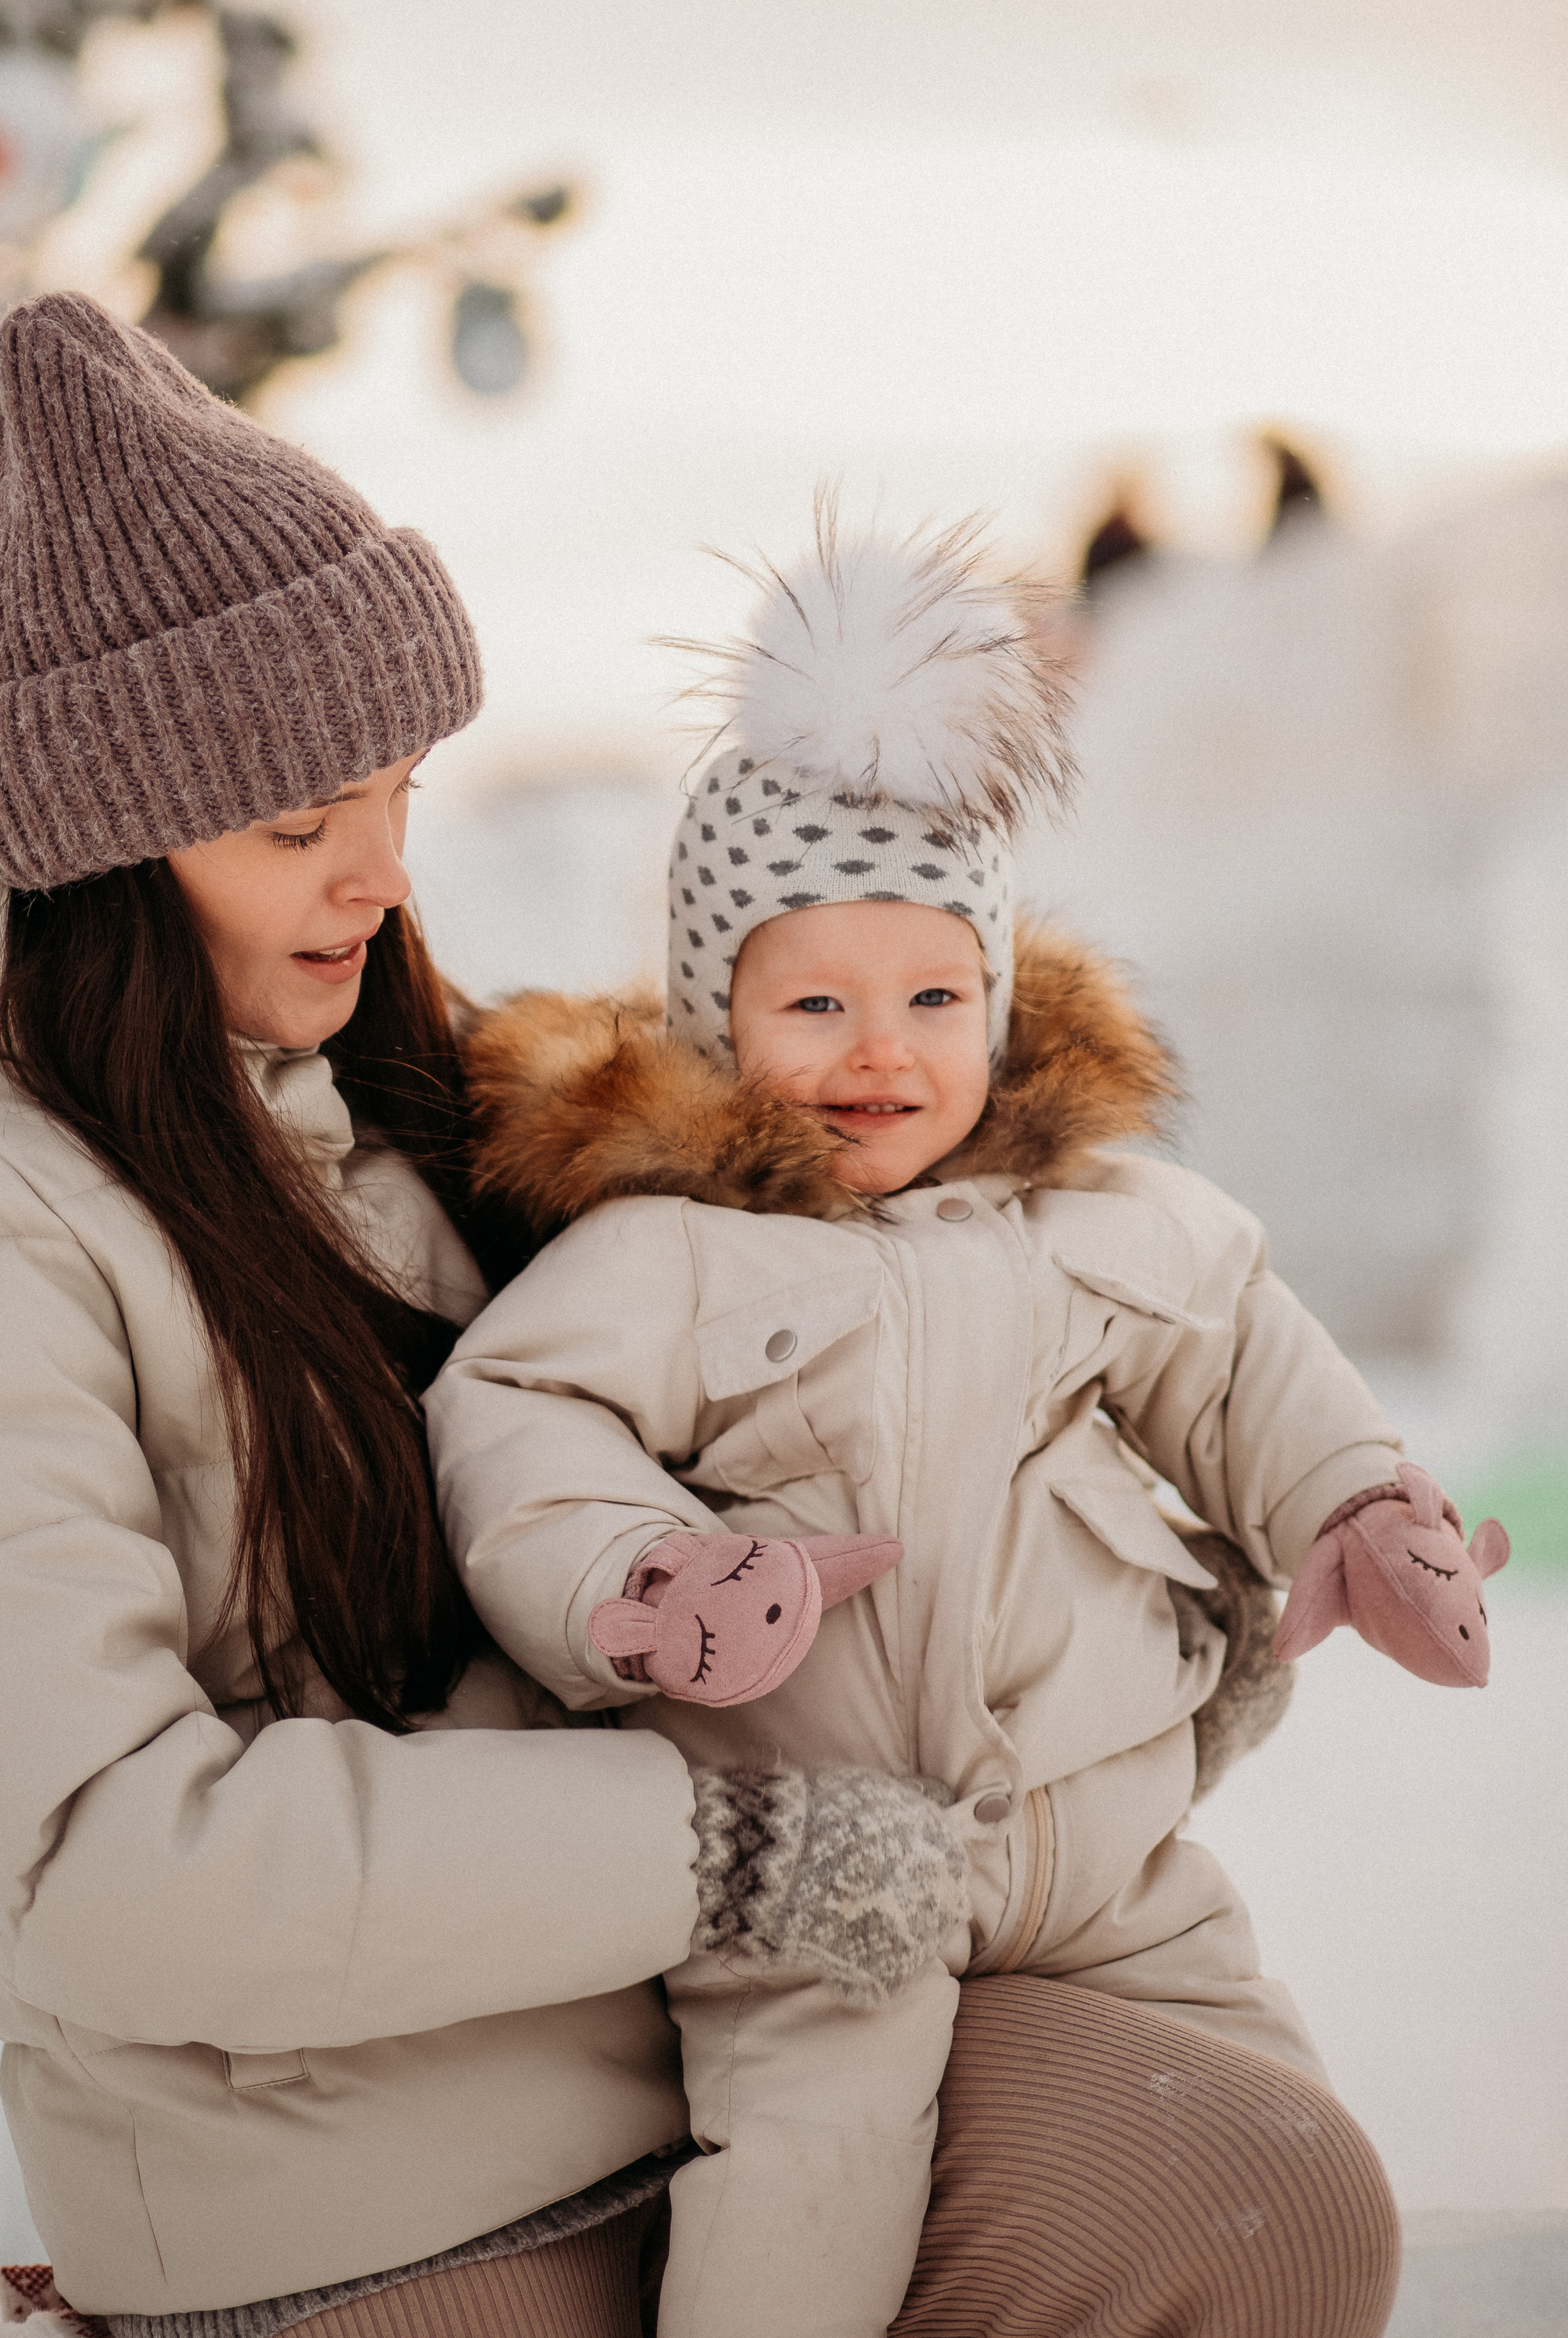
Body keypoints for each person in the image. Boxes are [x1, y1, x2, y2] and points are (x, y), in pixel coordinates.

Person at [0, 296, 962, 2338]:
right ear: (101, 846)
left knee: (1231, 2183)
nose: (382, 878)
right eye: (296, 827)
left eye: (399, 790)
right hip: (353, 2204)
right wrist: (729, 1847)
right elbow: (98, 1865)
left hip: (699, 2069)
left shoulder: (377, 1085)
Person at [427, 509, 1506, 2338]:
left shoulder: (1098, 1221)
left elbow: (1240, 1355)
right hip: (819, 1875)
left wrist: (1348, 1510)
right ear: (716, 1011)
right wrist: (641, 1576)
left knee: (1285, 2168)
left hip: (1104, 1862)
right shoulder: (670, 1249)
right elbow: (519, 1423)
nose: (881, 1049)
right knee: (798, 2207)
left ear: (996, 1003)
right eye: (816, 1002)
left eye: (934, 996)